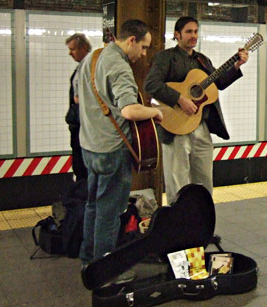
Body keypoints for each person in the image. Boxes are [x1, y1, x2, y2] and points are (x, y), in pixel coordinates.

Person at [77, 19, 163, 265]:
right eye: (144, 47)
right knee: (109, 213)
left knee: (93, 205)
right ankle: (104, 270)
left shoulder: (92, 59)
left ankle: (88, 259)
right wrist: (154, 113)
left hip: (89, 146)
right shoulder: (120, 66)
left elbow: (78, 98)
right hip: (112, 150)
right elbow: (129, 111)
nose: (144, 54)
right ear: (131, 40)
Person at [144, 16, 249, 204]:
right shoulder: (165, 58)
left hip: (201, 127)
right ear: (177, 35)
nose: (194, 36)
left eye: (196, 31)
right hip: (174, 129)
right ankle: (177, 224)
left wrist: (236, 66)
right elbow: (151, 84)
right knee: (178, 182)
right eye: (189, 32)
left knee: (204, 180)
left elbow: (218, 83)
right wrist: (180, 99)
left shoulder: (202, 60)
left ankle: (202, 220)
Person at [65, 33, 91, 181]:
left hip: (83, 125)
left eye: (73, 49)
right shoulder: (81, 66)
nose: (70, 53)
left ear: (84, 48)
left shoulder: (86, 67)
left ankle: (82, 200)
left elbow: (81, 98)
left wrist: (78, 100)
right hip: (78, 122)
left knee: (81, 165)